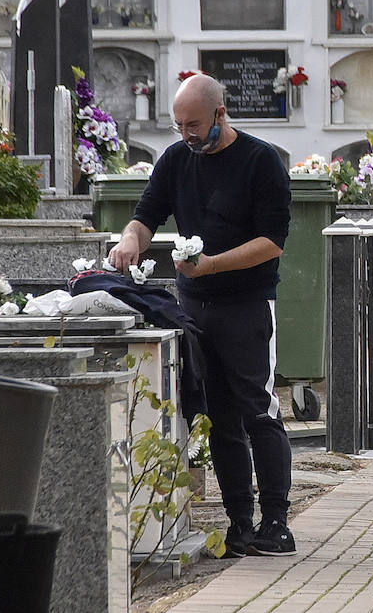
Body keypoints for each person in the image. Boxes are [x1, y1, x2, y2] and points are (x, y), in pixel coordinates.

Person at [109, 73, 295, 557]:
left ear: (220, 113)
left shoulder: (261, 161)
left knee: (257, 407)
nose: (186, 134)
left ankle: (276, 519)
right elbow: (147, 213)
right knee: (218, 417)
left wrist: (212, 264)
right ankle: (239, 522)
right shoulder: (176, 159)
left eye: (194, 124)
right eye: (178, 125)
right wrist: (130, 239)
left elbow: (272, 242)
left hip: (247, 303)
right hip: (195, 306)